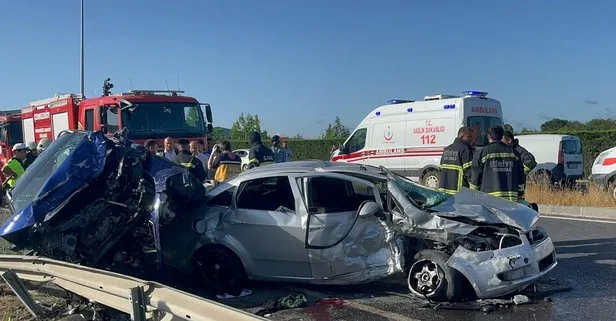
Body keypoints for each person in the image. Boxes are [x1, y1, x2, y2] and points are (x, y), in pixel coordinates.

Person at [470, 126, 525, 202]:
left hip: (489, 199)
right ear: (502, 136)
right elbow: (521, 175)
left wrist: (473, 193)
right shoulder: (514, 153)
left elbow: (475, 176)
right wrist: (520, 193)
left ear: (489, 136)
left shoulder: (482, 153)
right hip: (511, 199)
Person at [438, 127, 474, 194]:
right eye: (469, 137)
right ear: (462, 136)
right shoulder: (465, 149)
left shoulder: (447, 149)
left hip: (444, 191)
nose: (471, 139)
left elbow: (440, 168)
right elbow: (469, 171)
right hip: (459, 192)